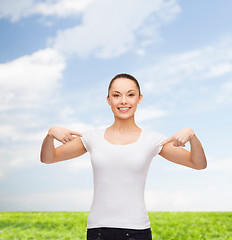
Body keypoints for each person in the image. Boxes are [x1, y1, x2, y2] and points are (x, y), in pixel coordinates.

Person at [40, 73, 207, 240]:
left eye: (131, 95)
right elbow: (48, 158)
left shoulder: (153, 140)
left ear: (139, 98)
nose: (124, 101)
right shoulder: (92, 138)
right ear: (108, 100)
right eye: (116, 95)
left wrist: (192, 136)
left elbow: (198, 164)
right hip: (98, 231)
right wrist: (50, 135)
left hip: (137, 231)